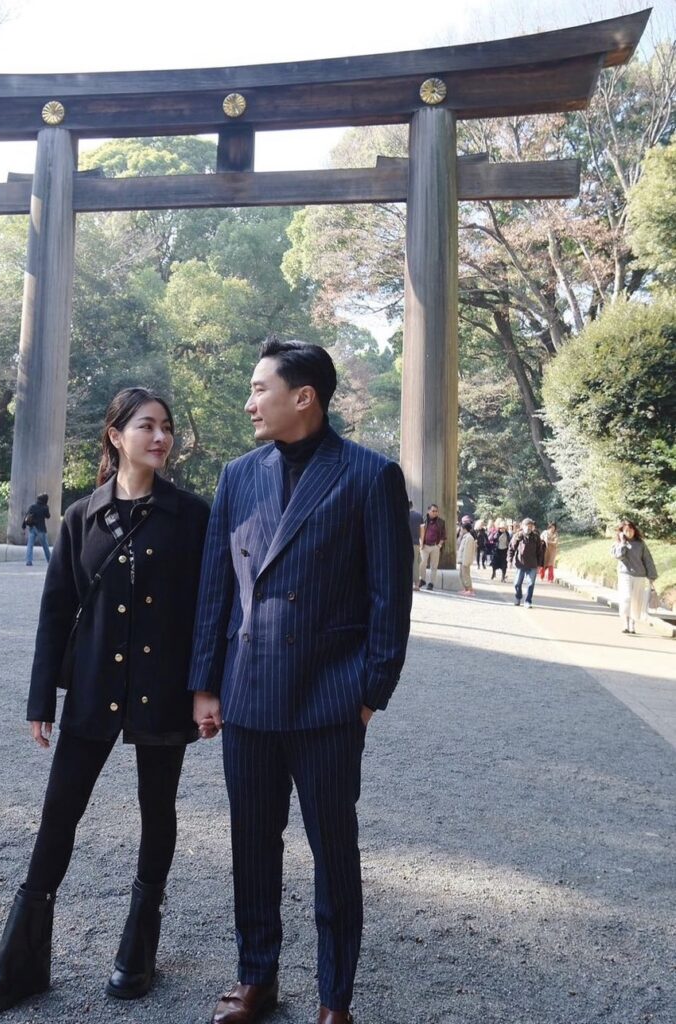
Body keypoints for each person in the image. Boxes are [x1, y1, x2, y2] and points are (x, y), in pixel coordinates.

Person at [188, 338, 413, 1024]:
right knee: (252, 846)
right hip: (248, 693)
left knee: (333, 851)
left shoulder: (369, 475)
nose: (250, 403)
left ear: (304, 397)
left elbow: (389, 598)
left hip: (328, 698)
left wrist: (369, 695)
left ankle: (334, 997)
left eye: (261, 389)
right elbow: (215, 589)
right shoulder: (238, 475)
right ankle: (256, 977)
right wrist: (205, 685)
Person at [0, 388, 210, 1014]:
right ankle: (22, 960)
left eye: (166, 427)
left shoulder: (192, 516)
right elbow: (56, 612)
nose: (160, 437)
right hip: (95, 686)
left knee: (157, 810)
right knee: (59, 813)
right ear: (115, 435)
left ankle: (139, 947)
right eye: (147, 426)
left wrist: (206, 688)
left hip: (163, 690)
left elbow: (211, 609)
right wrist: (40, 698)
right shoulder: (81, 517)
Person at [611, 519, 658, 635]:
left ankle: (632, 624)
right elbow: (619, 555)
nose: (629, 532)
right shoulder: (618, 544)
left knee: (636, 601)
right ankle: (625, 623)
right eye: (626, 530)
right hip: (625, 574)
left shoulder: (640, 544)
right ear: (622, 532)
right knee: (626, 598)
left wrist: (651, 575)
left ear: (634, 530)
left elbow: (648, 560)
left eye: (631, 529)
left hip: (639, 575)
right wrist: (623, 542)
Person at [508, 518, 544, 608]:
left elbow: (540, 552)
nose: (528, 528)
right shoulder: (518, 536)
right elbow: (511, 548)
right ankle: (518, 597)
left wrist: (540, 565)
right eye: (527, 526)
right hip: (520, 564)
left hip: (532, 564)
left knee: (531, 583)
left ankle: (528, 601)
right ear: (522, 526)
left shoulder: (536, 537)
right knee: (517, 583)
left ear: (532, 527)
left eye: (530, 526)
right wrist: (509, 560)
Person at [419, 501, 446, 590]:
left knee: (434, 566)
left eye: (436, 511)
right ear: (428, 511)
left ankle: (431, 583)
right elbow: (419, 532)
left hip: (435, 546)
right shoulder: (423, 520)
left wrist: (439, 545)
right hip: (424, 546)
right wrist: (421, 543)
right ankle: (422, 579)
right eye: (433, 511)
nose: (435, 513)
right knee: (422, 563)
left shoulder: (441, 522)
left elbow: (443, 535)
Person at [23, 493, 52, 566]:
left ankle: (28, 561)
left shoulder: (32, 506)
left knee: (30, 545)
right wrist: (46, 508)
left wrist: (23, 526)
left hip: (32, 527)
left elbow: (26, 516)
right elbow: (48, 516)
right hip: (41, 528)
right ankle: (50, 560)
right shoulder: (45, 507)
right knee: (45, 545)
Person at [457, 515, 477, 596]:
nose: (461, 530)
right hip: (463, 560)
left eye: (462, 528)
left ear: (465, 529)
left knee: (466, 575)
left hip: (465, 560)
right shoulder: (465, 537)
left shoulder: (469, 538)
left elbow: (468, 551)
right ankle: (466, 589)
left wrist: (465, 561)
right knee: (462, 574)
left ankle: (470, 589)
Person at [408, 500, 425, 592]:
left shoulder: (402, 515)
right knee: (416, 563)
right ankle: (417, 584)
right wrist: (421, 541)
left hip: (405, 543)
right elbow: (422, 530)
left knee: (405, 563)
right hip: (415, 543)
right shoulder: (419, 516)